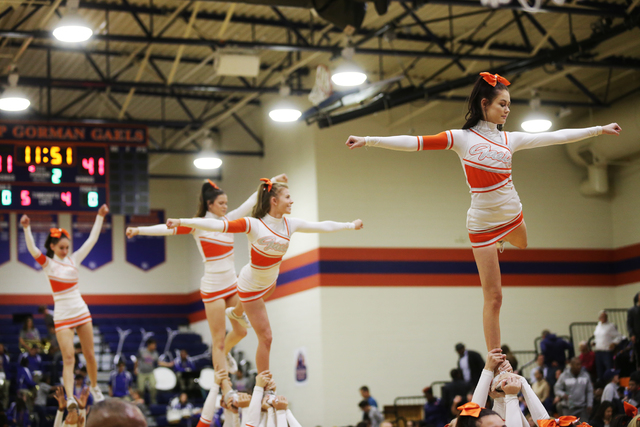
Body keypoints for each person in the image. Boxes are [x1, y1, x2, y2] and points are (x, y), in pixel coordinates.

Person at [345, 72, 621, 351]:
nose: (507, 110)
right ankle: (496, 357)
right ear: (484, 104)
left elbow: (556, 136)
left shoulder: (510, 139)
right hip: (481, 223)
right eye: (502, 104)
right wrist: (368, 139)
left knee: (524, 244)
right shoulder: (461, 138)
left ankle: (505, 239)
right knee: (494, 297)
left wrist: (598, 129)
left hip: (512, 214)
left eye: (509, 105)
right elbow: (415, 142)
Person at [166, 178, 363, 371]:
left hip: (270, 283)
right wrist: (181, 221)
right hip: (249, 284)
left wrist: (350, 225)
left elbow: (321, 226)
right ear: (274, 201)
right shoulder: (253, 224)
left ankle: (236, 312)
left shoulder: (290, 224)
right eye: (288, 197)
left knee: (259, 308)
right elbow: (218, 225)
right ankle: (264, 386)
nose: (292, 200)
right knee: (266, 337)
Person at [127, 176, 287, 372]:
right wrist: (139, 230)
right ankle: (224, 384)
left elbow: (252, 200)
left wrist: (273, 181)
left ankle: (224, 353)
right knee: (218, 340)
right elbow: (167, 229)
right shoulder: (198, 224)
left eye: (226, 203)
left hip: (231, 283)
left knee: (241, 331)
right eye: (221, 203)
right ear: (209, 204)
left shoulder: (230, 220)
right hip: (213, 287)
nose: (225, 206)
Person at [20, 206, 109, 408]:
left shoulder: (74, 259)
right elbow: (33, 250)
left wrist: (100, 217)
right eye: (61, 247)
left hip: (81, 310)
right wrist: (26, 228)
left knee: (90, 355)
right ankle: (70, 398)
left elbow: (92, 240)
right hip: (62, 315)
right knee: (68, 359)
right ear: (52, 246)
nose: (65, 250)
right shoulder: (47, 264)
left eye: (67, 247)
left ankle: (95, 387)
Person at [134, 338, 172, 404]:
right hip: (142, 373)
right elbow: (137, 360)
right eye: (154, 345)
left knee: (153, 387)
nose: (155, 347)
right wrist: (135, 369)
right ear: (149, 345)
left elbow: (159, 362)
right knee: (141, 389)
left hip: (150, 372)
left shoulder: (155, 353)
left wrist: (168, 364)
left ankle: (153, 401)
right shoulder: (142, 351)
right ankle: (141, 402)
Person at [594, 311, 623, 381]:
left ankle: (610, 382)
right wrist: (594, 342)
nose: (603, 318)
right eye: (601, 316)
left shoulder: (610, 326)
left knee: (608, 369)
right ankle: (601, 385)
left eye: (604, 316)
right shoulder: (598, 326)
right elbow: (598, 337)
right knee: (599, 370)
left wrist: (614, 343)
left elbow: (619, 336)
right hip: (598, 351)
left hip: (607, 352)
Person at [628, 292, 640, 371]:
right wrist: (632, 334)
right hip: (638, 336)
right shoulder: (632, 310)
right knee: (638, 356)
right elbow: (629, 324)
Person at [0, 343, 11, 409]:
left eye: (1, 348)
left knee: (5, 394)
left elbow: (7, 367)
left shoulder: (6, 357)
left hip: (5, 377)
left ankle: (4, 408)